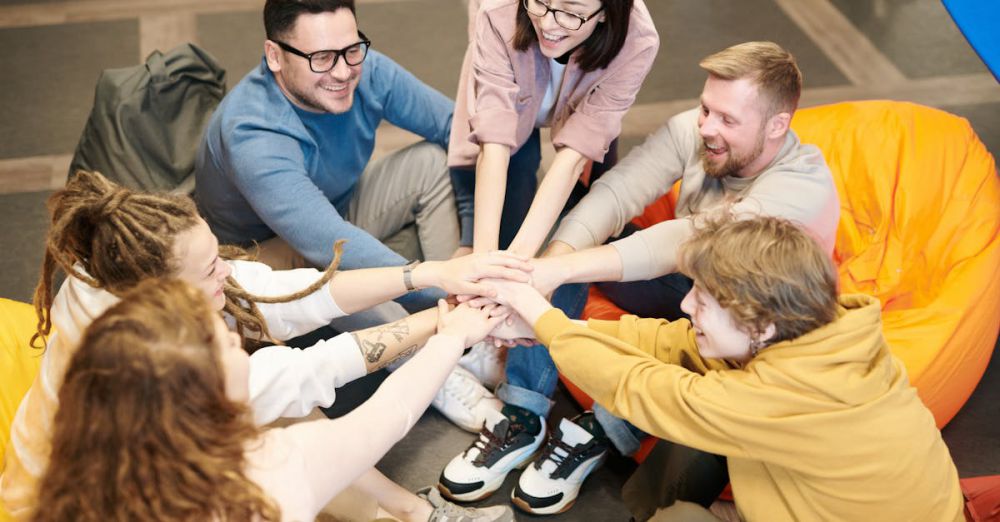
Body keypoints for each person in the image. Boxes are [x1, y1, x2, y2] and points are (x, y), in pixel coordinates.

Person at [439, 41, 840, 514]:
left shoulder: (801, 190)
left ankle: (602, 430)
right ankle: (522, 413)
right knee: (574, 226)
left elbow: (685, 239)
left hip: (749, 327)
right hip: (692, 289)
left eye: (727, 120)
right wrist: (548, 266)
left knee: (702, 335)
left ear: (777, 125)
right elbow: (618, 191)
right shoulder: (695, 132)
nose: (707, 127)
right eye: (706, 109)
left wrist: (556, 270)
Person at [0, 170, 525, 522]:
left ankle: (411, 512)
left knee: (292, 406)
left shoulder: (108, 284)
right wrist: (446, 329)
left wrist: (427, 275)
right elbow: (377, 408)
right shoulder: (261, 477)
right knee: (297, 408)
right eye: (227, 347)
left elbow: (269, 296)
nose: (235, 336)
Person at [481, 216, 964, 521]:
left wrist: (541, 317)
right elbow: (668, 342)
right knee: (700, 421)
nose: (686, 304)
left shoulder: (787, 398)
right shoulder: (818, 333)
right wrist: (549, 323)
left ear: (761, 323)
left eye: (705, 300)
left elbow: (645, 389)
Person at [30, 278, 515, 522]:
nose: (242, 348)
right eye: (227, 346)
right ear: (205, 391)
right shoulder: (268, 470)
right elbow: (389, 415)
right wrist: (452, 337)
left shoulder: (89, 480)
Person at [196, 0, 465, 320]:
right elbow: (328, 243)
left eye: (351, 49)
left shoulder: (362, 69)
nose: (343, 72)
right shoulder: (251, 134)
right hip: (263, 253)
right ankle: (444, 337)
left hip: (334, 209)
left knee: (433, 162)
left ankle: (458, 302)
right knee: (349, 291)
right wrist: (434, 294)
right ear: (275, 56)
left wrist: (471, 244)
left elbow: (460, 131)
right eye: (321, 58)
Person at [448, 0, 657, 256]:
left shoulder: (637, 41)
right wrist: (482, 259)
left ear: (604, 13)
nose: (547, 24)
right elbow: (493, 140)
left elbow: (574, 157)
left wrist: (518, 261)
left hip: (593, 95)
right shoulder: (498, 11)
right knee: (517, 168)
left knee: (595, 167)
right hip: (513, 76)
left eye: (571, 13)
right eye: (540, 1)